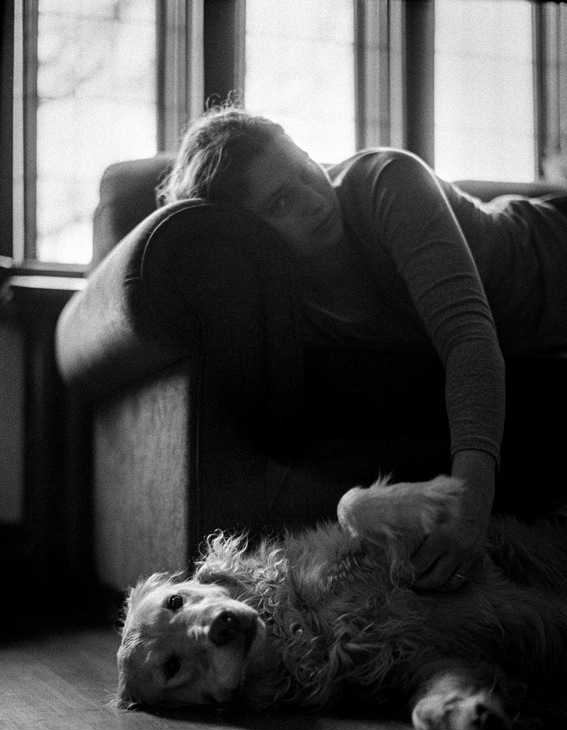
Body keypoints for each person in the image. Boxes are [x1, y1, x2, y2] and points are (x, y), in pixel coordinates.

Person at [159, 105, 567, 593]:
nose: (314, 199)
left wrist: (470, 509)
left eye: (304, 166)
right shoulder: (273, 298)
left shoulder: (388, 180)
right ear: (250, 235)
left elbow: (468, 338)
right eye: (281, 202)